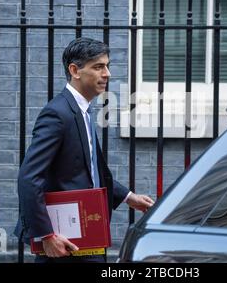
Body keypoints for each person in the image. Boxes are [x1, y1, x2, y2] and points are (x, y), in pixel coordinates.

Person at [14, 37, 154, 263]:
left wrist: (129, 197)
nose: (107, 73)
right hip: (62, 244)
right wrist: (47, 236)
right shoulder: (58, 114)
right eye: (98, 67)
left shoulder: (83, 111)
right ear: (75, 70)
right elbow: (29, 177)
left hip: (86, 236)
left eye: (107, 66)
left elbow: (90, 169)